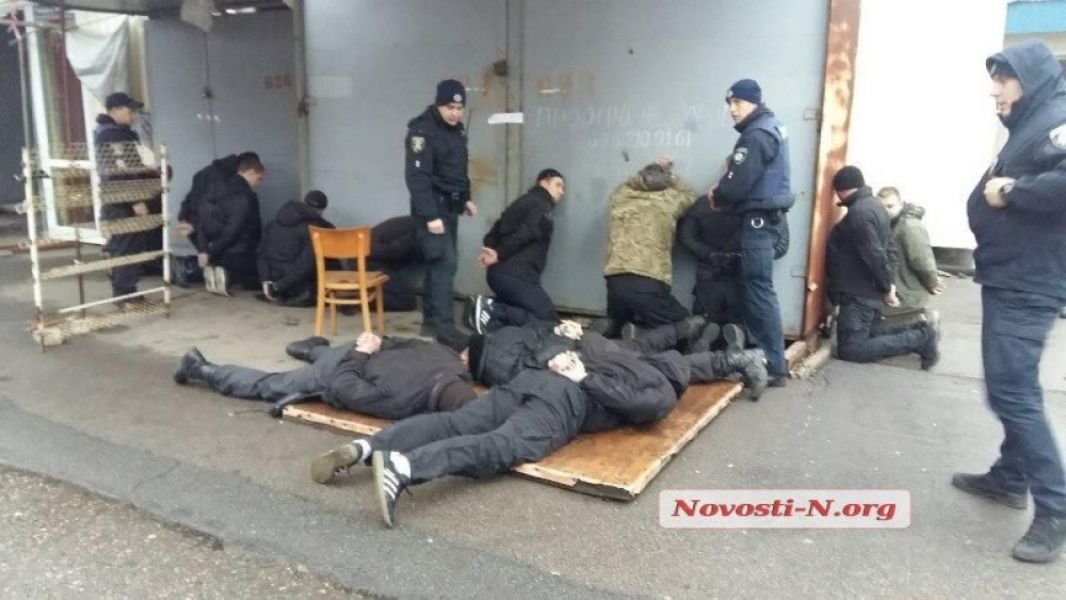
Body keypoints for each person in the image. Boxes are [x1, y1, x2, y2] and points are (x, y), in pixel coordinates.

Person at [313, 338, 689, 527]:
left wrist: (566, 363)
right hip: (565, 401)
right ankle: (405, 468)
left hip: (532, 379)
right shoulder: (663, 386)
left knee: (456, 421)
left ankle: (366, 447)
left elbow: (564, 344)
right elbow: (644, 406)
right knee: (502, 445)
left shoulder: (616, 352)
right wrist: (584, 378)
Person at [954, 40, 1066, 564]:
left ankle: (1056, 509)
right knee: (1012, 387)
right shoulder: (1034, 122)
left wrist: (1012, 191)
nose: (994, 90)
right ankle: (1010, 477)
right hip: (1013, 275)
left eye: (1003, 79)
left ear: (1031, 79)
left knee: (1012, 392)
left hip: (1027, 281)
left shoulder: (1055, 121)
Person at [173, 332, 476, 427]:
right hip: (343, 369)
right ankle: (201, 368)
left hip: (355, 355)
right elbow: (344, 386)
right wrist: (360, 354)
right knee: (268, 384)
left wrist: (367, 347)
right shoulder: (403, 401)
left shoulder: (442, 352)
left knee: (336, 356)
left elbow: (391, 341)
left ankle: (311, 348)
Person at [709, 79, 793, 387]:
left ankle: (772, 365)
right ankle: (766, 359)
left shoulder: (755, 135)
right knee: (757, 289)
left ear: (754, 102)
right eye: (729, 104)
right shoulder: (772, 126)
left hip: (758, 222)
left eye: (738, 103)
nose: (732, 110)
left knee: (758, 289)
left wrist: (718, 193)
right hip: (767, 219)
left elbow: (737, 184)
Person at [825, 166, 939, 368]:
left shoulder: (860, 213)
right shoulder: (875, 206)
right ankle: (920, 330)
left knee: (852, 349)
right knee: (868, 334)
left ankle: (921, 338)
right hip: (866, 291)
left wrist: (887, 287)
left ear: (840, 190)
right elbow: (890, 249)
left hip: (858, 293)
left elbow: (874, 255)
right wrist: (889, 283)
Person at [406, 79, 477, 348]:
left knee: (436, 263)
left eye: (459, 108)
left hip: (451, 206)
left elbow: (458, 168)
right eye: (450, 107)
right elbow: (417, 178)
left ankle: (430, 321)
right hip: (432, 208)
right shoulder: (422, 131)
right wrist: (430, 216)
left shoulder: (456, 131)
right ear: (438, 104)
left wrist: (466, 197)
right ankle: (446, 331)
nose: (455, 113)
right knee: (445, 264)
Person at [599, 159, 697, 337]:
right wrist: (670, 175)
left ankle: (613, 330)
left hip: (615, 278)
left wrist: (645, 173)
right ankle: (640, 334)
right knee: (682, 327)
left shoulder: (621, 196)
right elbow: (691, 195)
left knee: (617, 325)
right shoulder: (670, 200)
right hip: (648, 279)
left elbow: (627, 184)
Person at [465, 168, 566, 333]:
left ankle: (491, 319)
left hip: (500, 275)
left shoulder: (522, 202)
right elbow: (527, 233)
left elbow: (492, 234)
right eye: (558, 185)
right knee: (548, 320)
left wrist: (493, 252)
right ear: (544, 183)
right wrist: (499, 254)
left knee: (525, 315)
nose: (561, 191)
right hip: (518, 276)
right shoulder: (542, 205)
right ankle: (492, 310)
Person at [93, 92, 152, 302]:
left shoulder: (118, 133)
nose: (134, 115)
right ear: (115, 110)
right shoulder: (112, 135)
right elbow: (119, 171)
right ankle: (124, 294)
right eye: (130, 110)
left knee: (129, 245)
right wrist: (135, 200)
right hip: (121, 200)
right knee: (126, 247)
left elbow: (131, 167)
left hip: (119, 198)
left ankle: (127, 289)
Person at [676, 194, 748, 353]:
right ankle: (737, 340)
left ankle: (704, 341)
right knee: (738, 319)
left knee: (706, 317)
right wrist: (742, 256)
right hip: (739, 271)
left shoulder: (703, 203)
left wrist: (708, 253)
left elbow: (685, 235)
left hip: (708, 270)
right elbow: (777, 242)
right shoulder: (753, 202)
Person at [195, 154, 265, 295]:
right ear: (250, 172)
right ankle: (230, 276)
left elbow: (201, 220)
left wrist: (204, 250)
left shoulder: (213, 189)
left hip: (213, 250)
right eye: (259, 178)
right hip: (238, 252)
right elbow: (233, 230)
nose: (259, 183)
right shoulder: (246, 196)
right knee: (264, 274)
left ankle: (198, 269)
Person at [257, 190, 334, 306]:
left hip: (272, 279)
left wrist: (266, 280)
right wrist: (280, 285)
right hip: (293, 282)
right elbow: (306, 263)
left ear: (303, 202)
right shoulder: (314, 228)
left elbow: (261, 253)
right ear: (321, 210)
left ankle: (279, 294)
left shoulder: (272, 223)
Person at [876, 187, 944, 318]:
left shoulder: (909, 226)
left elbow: (921, 259)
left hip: (908, 292)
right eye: (882, 207)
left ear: (901, 204)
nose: (886, 210)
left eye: (890, 206)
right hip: (904, 289)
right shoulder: (892, 224)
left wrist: (932, 282)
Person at [367, 215, 422, 312]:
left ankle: (364, 298)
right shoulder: (415, 232)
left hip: (369, 256)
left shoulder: (414, 224)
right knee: (407, 302)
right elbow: (394, 251)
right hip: (369, 258)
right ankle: (362, 300)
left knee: (404, 297)